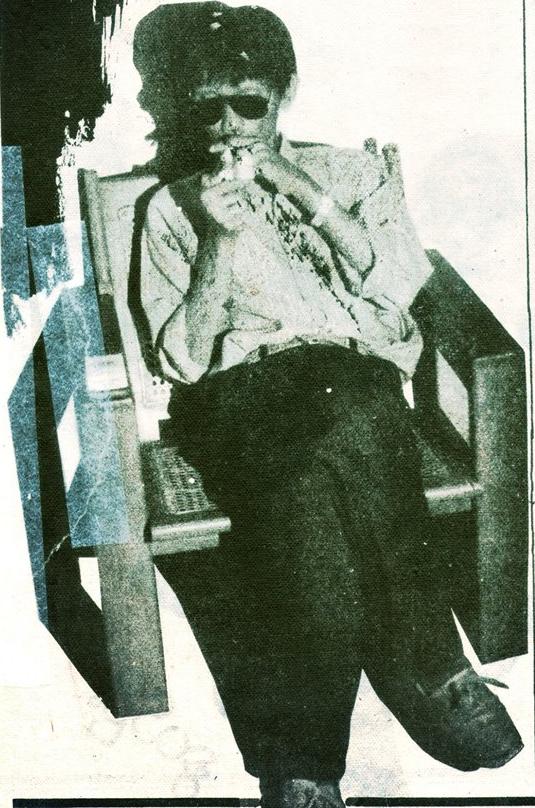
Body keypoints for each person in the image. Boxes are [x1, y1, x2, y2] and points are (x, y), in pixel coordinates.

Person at [134, 4, 523, 805]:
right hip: (242, 396)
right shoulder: (171, 208)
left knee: (317, 479)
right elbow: (184, 360)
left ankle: (303, 766)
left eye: (248, 104)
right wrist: (219, 241)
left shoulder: (351, 174)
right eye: (207, 109)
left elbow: (400, 283)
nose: (228, 127)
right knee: (343, 432)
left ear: (284, 93)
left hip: (352, 379)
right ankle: (431, 666)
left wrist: (298, 189)